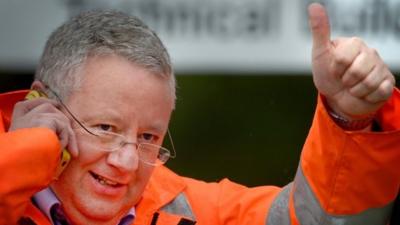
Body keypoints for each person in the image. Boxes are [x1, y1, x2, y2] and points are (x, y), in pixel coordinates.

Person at [0, 3, 399, 225]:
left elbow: (305, 219)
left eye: (148, 138)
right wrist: (25, 155)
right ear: (42, 107)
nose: (125, 161)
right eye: (105, 128)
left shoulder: (188, 209)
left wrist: (347, 117)